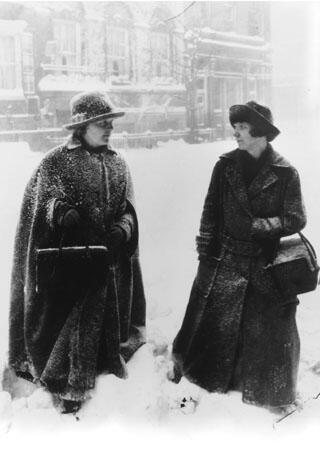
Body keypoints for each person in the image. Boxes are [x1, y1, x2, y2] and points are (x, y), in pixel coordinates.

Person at [8, 91, 146, 413]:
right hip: (69, 268)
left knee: (103, 324)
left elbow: (128, 209)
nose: (109, 129)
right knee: (71, 327)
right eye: (102, 123)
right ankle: (67, 385)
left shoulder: (117, 164)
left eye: (111, 123)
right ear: (82, 126)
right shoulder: (57, 161)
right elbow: (41, 205)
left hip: (108, 265)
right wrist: (60, 213)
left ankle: (99, 367)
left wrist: (123, 228)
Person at [170, 101, 306, 411]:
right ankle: (205, 376)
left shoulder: (286, 173)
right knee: (212, 319)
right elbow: (210, 209)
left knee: (269, 326)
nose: (236, 133)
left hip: (264, 261)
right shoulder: (225, 165)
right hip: (227, 258)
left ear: (260, 133)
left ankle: (269, 390)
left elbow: (296, 218)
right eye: (236, 127)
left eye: (242, 128)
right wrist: (206, 247)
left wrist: (260, 226)